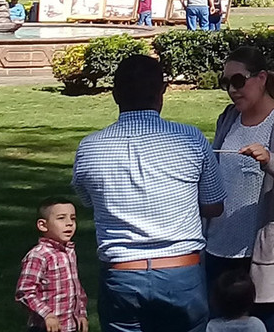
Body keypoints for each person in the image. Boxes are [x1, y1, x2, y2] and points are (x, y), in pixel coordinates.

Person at [72, 55, 226, 332]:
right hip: (181, 271)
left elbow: (89, 201)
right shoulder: (190, 139)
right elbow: (214, 205)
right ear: (162, 91)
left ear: (115, 94)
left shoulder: (89, 148)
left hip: (121, 274)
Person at [208, 47, 274, 332]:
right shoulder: (228, 118)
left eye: (238, 81)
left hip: (260, 259)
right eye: (225, 83)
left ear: (262, 78)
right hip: (218, 253)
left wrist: (271, 161)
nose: (232, 90)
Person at [16, 198, 88, 332]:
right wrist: (47, 315)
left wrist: (81, 314)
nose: (69, 224)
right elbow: (25, 292)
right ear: (43, 225)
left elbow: (76, 288)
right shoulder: (39, 255)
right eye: (61, 218)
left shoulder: (69, 252)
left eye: (72, 218)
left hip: (70, 326)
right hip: (44, 327)